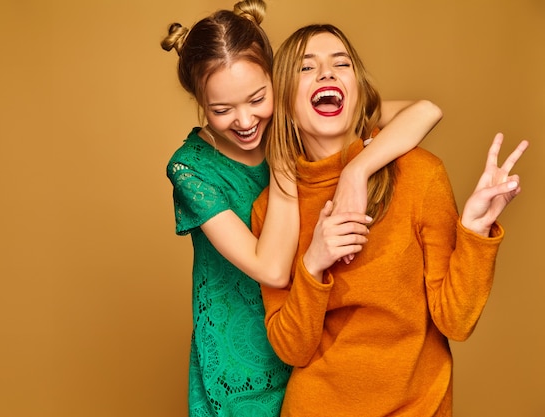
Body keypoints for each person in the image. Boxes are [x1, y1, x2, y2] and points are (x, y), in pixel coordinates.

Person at [161, 1, 442, 415]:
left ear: (276, 80)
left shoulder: (295, 115)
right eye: (221, 110)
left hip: (314, 344)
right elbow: (273, 268)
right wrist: (283, 159)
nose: (244, 120)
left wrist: (356, 171)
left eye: (257, 98)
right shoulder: (191, 169)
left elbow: (425, 111)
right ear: (200, 102)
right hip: (241, 360)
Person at [251, 23, 529, 417]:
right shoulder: (272, 208)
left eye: (340, 63)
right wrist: (314, 263)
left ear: (360, 93)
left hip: (418, 407)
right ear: (284, 106)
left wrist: (475, 232)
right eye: (305, 67)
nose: (326, 73)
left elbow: (456, 322)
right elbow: (291, 348)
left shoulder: (420, 174)